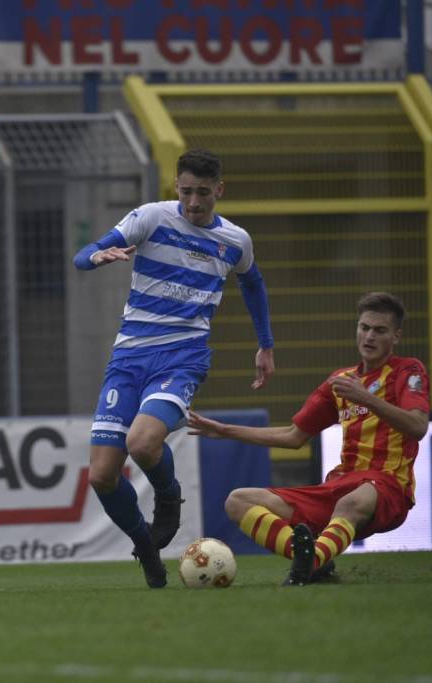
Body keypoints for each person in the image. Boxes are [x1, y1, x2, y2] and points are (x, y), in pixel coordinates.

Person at [73, 149, 275, 588]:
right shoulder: (151, 217)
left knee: (143, 444)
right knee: (103, 475)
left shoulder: (235, 241)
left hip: (183, 358)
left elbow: (253, 284)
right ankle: (146, 546)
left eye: (204, 193)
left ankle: (169, 497)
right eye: (186, 191)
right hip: (128, 358)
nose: (194, 202)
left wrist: (266, 344)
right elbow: (83, 254)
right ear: (176, 188)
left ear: (219, 190)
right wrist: (97, 258)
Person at [187, 292, 430, 586]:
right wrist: (225, 431)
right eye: (364, 327)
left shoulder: (408, 370)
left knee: (351, 502)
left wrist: (366, 398)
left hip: (388, 487)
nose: (369, 336)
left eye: (380, 330)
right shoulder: (340, 381)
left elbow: (417, 426)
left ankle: (310, 561)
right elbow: (293, 436)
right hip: (340, 485)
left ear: (396, 337)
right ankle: (311, 558)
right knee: (237, 501)